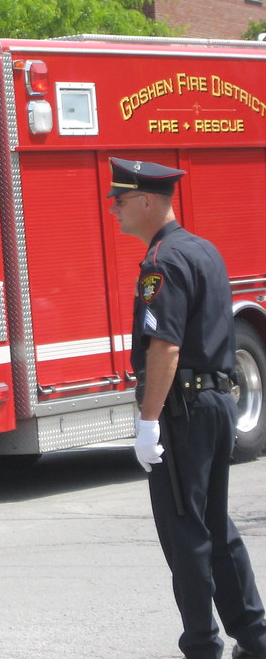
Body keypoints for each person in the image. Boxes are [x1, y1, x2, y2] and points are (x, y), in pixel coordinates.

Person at [107, 156, 266, 659]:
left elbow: (165, 348)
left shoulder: (161, 263)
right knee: (216, 527)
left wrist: (149, 422)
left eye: (122, 199)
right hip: (217, 402)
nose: (114, 209)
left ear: (148, 201)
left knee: (186, 533)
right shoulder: (203, 250)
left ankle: (201, 645)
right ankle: (256, 637)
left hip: (185, 411)